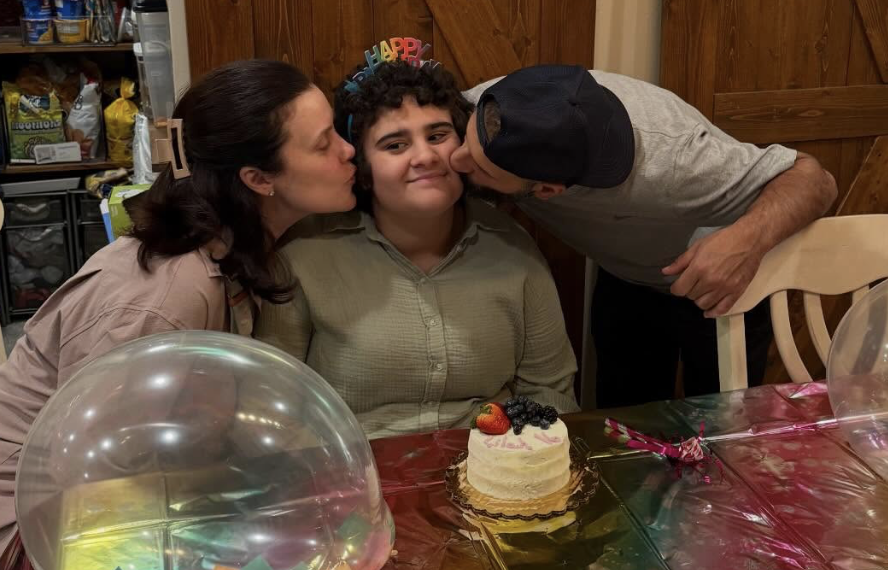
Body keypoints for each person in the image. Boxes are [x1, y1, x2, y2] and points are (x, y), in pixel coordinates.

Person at [0, 59, 357, 555]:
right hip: (36, 525)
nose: (348, 151)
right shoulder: (164, 299)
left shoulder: (231, 246)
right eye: (324, 144)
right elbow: (86, 480)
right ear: (257, 178)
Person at [450, 65, 838, 407]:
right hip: (626, 279)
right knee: (626, 434)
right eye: (465, 140)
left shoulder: (680, 162)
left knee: (721, 437)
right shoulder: (490, 103)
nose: (455, 159)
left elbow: (816, 181)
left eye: (479, 169)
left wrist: (745, 243)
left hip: (722, 284)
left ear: (548, 190)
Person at [255, 60, 579, 439]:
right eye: (395, 145)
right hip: (354, 476)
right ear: (362, 168)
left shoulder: (514, 250)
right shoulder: (304, 255)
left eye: (438, 135)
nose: (424, 157)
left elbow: (550, 390)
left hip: (491, 470)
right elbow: (275, 402)